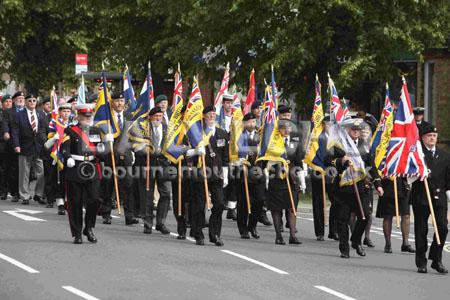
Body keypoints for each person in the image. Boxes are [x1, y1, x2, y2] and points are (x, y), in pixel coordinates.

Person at [326, 118, 383, 258]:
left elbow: (372, 166)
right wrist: (341, 161)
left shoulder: (364, 145)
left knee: (364, 216)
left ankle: (356, 241)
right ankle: (344, 249)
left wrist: (378, 184)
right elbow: (328, 160)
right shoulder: (339, 145)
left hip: (360, 186)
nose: (356, 132)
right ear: (347, 130)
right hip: (343, 188)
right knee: (343, 219)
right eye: (353, 129)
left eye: (358, 130)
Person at [60, 104, 112, 244]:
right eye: (84, 116)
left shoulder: (95, 131)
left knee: (94, 199)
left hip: (91, 168)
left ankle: (88, 227)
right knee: (75, 202)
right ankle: (77, 233)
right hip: (75, 168)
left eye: (89, 116)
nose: (87, 119)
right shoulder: (70, 130)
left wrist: (107, 144)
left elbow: (99, 151)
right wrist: (68, 157)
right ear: (78, 116)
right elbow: (64, 147)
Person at [411, 124, 449, 274]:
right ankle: (421, 261)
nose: (432, 138)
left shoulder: (445, 155)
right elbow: (407, 175)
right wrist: (418, 173)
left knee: (443, 227)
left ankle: (436, 258)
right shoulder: (416, 155)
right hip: (421, 196)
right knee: (421, 229)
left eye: (434, 136)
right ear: (422, 138)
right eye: (429, 136)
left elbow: (448, 179)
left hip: (439, 197)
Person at [129, 107, 172, 235]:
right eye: (156, 116)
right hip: (147, 163)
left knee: (166, 193)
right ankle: (148, 223)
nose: (158, 118)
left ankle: (161, 222)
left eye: (160, 116)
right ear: (150, 117)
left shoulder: (167, 128)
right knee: (147, 194)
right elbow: (134, 144)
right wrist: (145, 148)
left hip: (163, 165)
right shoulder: (143, 129)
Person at [101, 92, 138, 226]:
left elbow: (134, 136)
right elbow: (98, 131)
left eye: (122, 101)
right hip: (110, 154)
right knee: (109, 185)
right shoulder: (107, 117)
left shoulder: (129, 117)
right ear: (112, 103)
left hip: (126, 155)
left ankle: (129, 215)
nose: (119, 103)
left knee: (128, 185)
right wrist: (105, 138)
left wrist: (133, 151)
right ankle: (106, 213)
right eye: (117, 101)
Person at [266, 119, 305, 245]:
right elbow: (266, 161)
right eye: (284, 128)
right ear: (279, 129)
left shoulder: (295, 142)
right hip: (276, 179)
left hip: (291, 179)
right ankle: (278, 235)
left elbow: (299, 162)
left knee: (292, 207)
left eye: (289, 128)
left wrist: (302, 180)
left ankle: (292, 235)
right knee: (276, 209)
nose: (287, 130)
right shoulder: (272, 142)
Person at [197, 105, 229, 246]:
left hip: (217, 175)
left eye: (213, 114)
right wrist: (194, 152)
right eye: (209, 114)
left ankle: (215, 233)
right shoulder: (197, 132)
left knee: (220, 204)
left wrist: (226, 174)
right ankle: (198, 234)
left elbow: (225, 156)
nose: (211, 116)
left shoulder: (222, 133)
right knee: (199, 205)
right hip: (200, 173)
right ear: (203, 116)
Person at [233, 112, 265, 239]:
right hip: (244, 172)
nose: (252, 124)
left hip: (258, 172)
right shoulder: (239, 135)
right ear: (244, 124)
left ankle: (253, 225)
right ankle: (243, 229)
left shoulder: (261, 136)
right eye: (249, 122)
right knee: (243, 203)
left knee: (259, 200)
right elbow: (234, 151)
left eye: (253, 122)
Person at [11, 94, 47, 205]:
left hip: (38, 147)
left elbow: (43, 129)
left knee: (42, 171)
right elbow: (15, 131)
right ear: (26, 102)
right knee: (24, 173)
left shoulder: (40, 114)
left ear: (36, 102)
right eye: (29, 100)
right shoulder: (19, 115)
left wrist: (44, 141)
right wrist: (16, 145)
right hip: (24, 146)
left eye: (34, 100)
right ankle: (25, 195)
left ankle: (38, 194)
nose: (32, 102)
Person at [43, 103, 72, 215]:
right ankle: (58, 203)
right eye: (64, 111)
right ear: (60, 112)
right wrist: (55, 136)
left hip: (70, 155)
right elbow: (49, 137)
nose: (66, 113)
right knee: (57, 180)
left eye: (68, 111)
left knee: (68, 181)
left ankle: (67, 202)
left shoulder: (73, 123)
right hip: (57, 153)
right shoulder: (54, 122)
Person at [375, 177, 415, 253]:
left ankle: (405, 243)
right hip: (388, 186)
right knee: (387, 216)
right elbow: (378, 169)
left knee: (406, 215)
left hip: (403, 187)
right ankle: (388, 243)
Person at [3, 91, 25, 202]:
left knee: (25, 170)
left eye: (22, 98)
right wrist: (6, 132)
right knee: (14, 169)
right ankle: (15, 192)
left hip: (26, 144)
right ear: (15, 100)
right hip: (12, 144)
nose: (21, 100)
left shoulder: (28, 111)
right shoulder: (8, 112)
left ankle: (23, 191)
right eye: (19, 98)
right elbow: (5, 124)